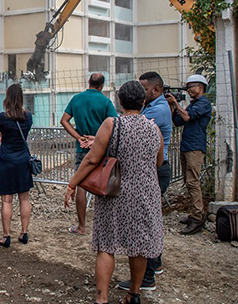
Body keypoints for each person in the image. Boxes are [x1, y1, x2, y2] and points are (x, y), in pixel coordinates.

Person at [65, 80, 164, 304]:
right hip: (146, 193)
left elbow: (91, 159)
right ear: (143, 101)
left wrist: (72, 184)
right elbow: (159, 162)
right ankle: (134, 294)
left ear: (120, 101)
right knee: (139, 246)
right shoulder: (153, 128)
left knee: (106, 245)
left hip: (115, 192)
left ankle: (102, 299)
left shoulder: (112, 124)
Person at [118, 71, 172, 292]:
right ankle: (154, 265)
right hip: (154, 169)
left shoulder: (156, 112)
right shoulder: (153, 108)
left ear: (156, 90)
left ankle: (146, 278)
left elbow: (134, 129)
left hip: (154, 171)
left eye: (144, 88)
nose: (141, 92)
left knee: (144, 225)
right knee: (150, 220)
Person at [60, 73, 117, 236]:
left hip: (82, 148)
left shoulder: (77, 99)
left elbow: (64, 120)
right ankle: (106, 226)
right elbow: (114, 125)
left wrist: (77, 136)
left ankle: (81, 226)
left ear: (89, 83)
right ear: (102, 85)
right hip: (102, 149)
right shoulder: (106, 101)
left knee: (81, 186)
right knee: (106, 184)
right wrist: (97, 138)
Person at [166, 74, 212, 235]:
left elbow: (187, 116)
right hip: (187, 146)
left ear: (200, 87)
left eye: (191, 86)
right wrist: (172, 106)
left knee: (193, 182)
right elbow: (178, 121)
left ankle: (198, 217)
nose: (188, 89)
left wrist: (177, 104)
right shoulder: (193, 104)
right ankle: (194, 213)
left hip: (195, 147)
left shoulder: (204, 104)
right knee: (188, 181)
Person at [0, 84, 33, 247]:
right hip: (23, 159)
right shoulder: (28, 116)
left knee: (7, 200)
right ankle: (24, 232)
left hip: (7, 160)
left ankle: (6, 235)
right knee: (24, 198)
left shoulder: (3, 117)